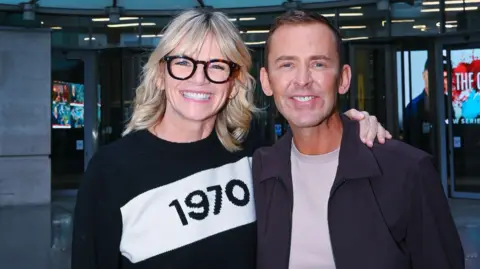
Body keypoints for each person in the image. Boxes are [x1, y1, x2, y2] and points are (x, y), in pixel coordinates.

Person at [71, 9, 391, 269]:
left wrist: (352, 126)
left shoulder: (254, 156)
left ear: (234, 81)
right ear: (160, 73)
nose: (200, 79)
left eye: (217, 65)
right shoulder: (111, 172)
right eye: (183, 62)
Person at [253, 10, 464, 269]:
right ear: (266, 81)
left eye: (318, 64)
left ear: (343, 79)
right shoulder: (254, 176)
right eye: (287, 64)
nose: (303, 80)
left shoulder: (407, 171)